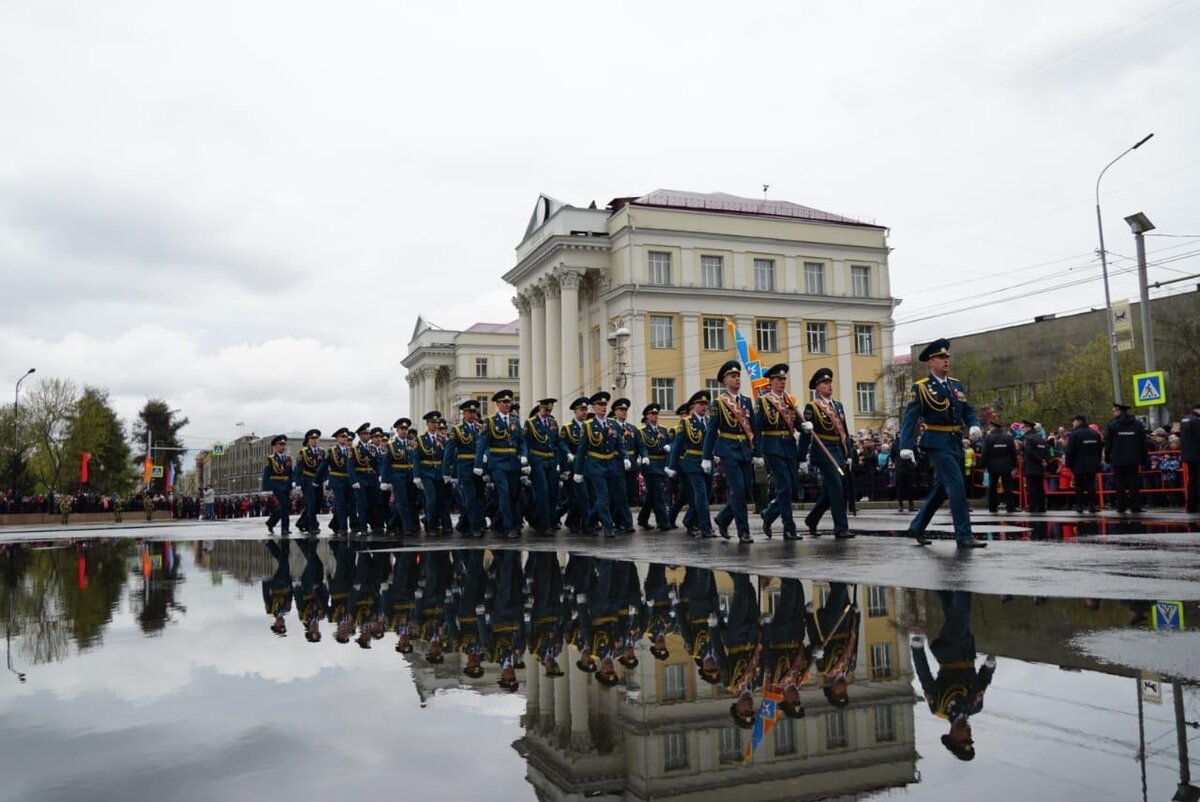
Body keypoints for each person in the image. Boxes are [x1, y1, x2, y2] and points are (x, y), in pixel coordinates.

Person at [899, 338, 985, 548]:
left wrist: (973, 424)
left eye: (947, 357)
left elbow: (967, 410)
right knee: (956, 484)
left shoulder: (955, 384)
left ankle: (917, 526)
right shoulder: (921, 387)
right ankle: (963, 534)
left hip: (954, 441)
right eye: (940, 358)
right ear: (931, 362)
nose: (946, 361)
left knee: (940, 490)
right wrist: (905, 445)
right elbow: (910, 418)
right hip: (936, 441)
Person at [910, 592, 995, 762]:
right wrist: (989, 668)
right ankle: (944, 581)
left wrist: (917, 649)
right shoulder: (975, 708)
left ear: (953, 737)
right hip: (967, 651)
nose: (968, 735)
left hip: (950, 652)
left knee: (962, 613)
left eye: (964, 739)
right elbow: (982, 684)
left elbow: (925, 679)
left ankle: (960, 573)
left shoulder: (940, 708)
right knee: (951, 609)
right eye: (970, 739)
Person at [706, 360, 758, 544]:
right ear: (724, 381)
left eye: (738, 376)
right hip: (728, 450)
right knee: (738, 490)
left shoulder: (746, 401)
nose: (736, 379)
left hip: (744, 449)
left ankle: (723, 518)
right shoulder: (718, 403)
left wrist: (757, 452)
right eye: (732, 376)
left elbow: (753, 428)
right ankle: (743, 531)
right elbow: (711, 431)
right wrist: (707, 457)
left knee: (744, 491)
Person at [799, 367, 853, 539]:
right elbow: (807, 434)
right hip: (823, 451)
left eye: (830, 382)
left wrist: (849, 453)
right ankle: (841, 528)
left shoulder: (838, 406)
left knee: (833, 490)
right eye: (824, 383)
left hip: (838, 450)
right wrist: (801, 458)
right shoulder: (812, 407)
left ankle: (812, 519)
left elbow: (844, 430)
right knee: (837, 488)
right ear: (817, 387)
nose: (829, 385)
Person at [572, 391, 630, 539]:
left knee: (608, 498)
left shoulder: (612, 424)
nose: (603, 408)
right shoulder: (588, 426)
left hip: (611, 465)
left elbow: (620, 444)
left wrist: (625, 457)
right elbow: (582, 449)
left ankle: (589, 522)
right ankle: (608, 527)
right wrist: (578, 472)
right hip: (595, 465)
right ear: (593, 407)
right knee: (603, 497)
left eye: (605, 405)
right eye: (600, 405)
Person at [755, 363, 803, 540]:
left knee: (791, 487)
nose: (782, 382)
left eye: (783, 379)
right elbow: (757, 427)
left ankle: (768, 514)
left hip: (789, 446)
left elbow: (796, 424)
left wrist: (804, 427)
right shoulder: (764, 401)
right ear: (771, 382)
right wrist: (758, 452)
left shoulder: (790, 401)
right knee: (784, 486)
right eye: (778, 379)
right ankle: (788, 528)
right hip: (772, 446)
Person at [475, 389, 528, 539]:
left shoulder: (515, 421)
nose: (507, 404)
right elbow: (481, 444)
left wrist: (523, 455)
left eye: (508, 402)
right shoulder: (490, 422)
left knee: (514, 495)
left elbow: (522, 441)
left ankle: (512, 523)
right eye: (504, 402)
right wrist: (478, 464)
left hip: (513, 463)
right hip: (498, 463)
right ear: (498, 404)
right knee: (504, 494)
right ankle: (509, 526)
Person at [666, 391, 714, 538]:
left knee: (706, 494)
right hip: (692, 462)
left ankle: (688, 520)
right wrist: (671, 466)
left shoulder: (709, 421)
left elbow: (713, 440)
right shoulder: (686, 422)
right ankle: (706, 528)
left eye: (706, 404)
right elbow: (676, 446)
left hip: (707, 462)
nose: (704, 407)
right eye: (701, 404)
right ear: (694, 406)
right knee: (700, 495)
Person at [443, 399, 486, 537]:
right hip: (465, 466)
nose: (473, 415)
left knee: (479, 497)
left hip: (480, 467)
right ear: (464, 413)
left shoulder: (481, 428)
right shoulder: (457, 430)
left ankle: (464, 524)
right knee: (470, 497)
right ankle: (476, 526)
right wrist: (446, 471)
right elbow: (449, 451)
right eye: (470, 412)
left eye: (474, 412)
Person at [524, 398, 561, 537]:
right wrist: (526, 462)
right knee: (543, 492)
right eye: (546, 410)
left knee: (553, 492)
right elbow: (526, 443)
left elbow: (557, 442)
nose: (548, 413)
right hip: (537, 460)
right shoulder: (531, 423)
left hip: (551, 460)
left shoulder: (553, 422)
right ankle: (543, 525)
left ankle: (551, 520)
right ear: (540, 408)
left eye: (550, 410)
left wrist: (562, 458)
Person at [1105, 402, 1149, 514]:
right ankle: (1135, 506)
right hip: (1133, 459)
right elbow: (1143, 443)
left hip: (1118, 459)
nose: (1113, 413)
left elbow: (1108, 443)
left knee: (1119, 484)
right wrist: (1144, 458)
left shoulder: (1112, 425)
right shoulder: (1137, 424)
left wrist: (1107, 457)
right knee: (1134, 483)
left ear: (1119, 411)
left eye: (1114, 410)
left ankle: (1121, 506)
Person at [416, 411, 454, 536]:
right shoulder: (420, 440)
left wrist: (448, 473)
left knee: (442, 500)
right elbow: (416, 459)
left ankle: (446, 525)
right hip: (427, 473)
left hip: (440, 473)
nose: (435, 425)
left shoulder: (443, 439)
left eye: (436, 423)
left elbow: (447, 457)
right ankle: (431, 526)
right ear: (427, 423)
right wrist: (416, 476)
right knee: (432, 500)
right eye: (432, 422)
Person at [636, 403, 673, 531]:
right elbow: (642, 446)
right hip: (650, 464)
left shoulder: (663, 430)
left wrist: (669, 447)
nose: (655, 416)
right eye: (652, 414)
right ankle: (663, 522)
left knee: (652, 494)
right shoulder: (642, 431)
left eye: (656, 414)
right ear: (647, 417)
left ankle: (642, 518)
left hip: (662, 464)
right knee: (659, 493)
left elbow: (669, 443)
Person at [380, 418, 419, 536]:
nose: (404, 431)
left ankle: (392, 525)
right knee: (402, 503)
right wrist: (385, 480)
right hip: (397, 477)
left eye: (406, 429)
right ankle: (408, 527)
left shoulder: (412, 444)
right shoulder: (391, 445)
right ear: (397, 430)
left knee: (411, 502)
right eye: (402, 429)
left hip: (410, 476)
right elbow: (386, 464)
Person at [1065, 414, 1103, 513]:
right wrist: (1097, 461)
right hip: (1092, 463)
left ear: (1078, 421)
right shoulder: (1094, 433)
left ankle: (1079, 506)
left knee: (1079, 486)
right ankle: (1092, 506)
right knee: (1091, 485)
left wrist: (1069, 464)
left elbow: (1070, 451)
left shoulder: (1075, 434)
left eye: (1073, 421)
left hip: (1078, 464)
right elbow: (1099, 449)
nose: (1072, 424)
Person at [980, 419, 1017, 513]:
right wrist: (1013, 465)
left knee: (992, 488)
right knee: (1008, 488)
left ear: (993, 427)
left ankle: (993, 507)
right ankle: (1010, 507)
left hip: (993, 466)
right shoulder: (1008, 438)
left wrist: (982, 464)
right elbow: (1013, 453)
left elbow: (985, 453)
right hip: (1006, 465)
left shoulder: (988, 438)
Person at [293, 429, 325, 535]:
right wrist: (297, 483)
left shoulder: (322, 452)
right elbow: (299, 468)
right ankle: (313, 526)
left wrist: (327, 479)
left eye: (316, 438)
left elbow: (324, 467)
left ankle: (302, 522)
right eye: (312, 439)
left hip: (318, 481)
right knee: (311, 503)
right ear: (308, 440)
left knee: (318, 503)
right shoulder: (303, 452)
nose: (315, 441)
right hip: (307, 480)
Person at [261, 434, 293, 536]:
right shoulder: (271, 458)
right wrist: (266, 488)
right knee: (284, 505)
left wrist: (293, 483)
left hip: (286, 484)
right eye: (280, 444)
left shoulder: (288, 458)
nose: (283, 446)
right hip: (276, 484)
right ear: (275, 446)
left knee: (286, 506)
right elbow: (267, 473)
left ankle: (271, 522)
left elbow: (290, 472)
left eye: (284, 444)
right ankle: (285, 528)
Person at [324, 427, 354, 536]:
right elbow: (324, 466)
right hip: (337, 480)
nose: (345, 439)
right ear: (337, 439)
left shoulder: (351, 450)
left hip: (349, 480)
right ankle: (343, 527)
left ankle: (335, 524)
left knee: (350, 504)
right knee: (341, 504)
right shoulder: (332, 451)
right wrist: (325, 478)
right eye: (342, 437)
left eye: (346, 437)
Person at [1020, 420, 1047, 513]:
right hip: (1040, 467)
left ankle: (1033, 507)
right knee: (1040, 488)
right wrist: (1043, 460)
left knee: (1031, 488)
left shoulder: (1028, 438)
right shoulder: (1041, 438)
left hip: (1031, 466)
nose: (1023, 429)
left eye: (1024, 427)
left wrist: (1040, 459)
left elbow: (1029, 452)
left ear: (1029, 427)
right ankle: (1041, 507)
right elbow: (1045, 451)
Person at [1180, 402, 1200, 515]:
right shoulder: (1196, 420)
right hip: (1197, 455)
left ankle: (1191, 504)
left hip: (1188, 455)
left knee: (1192, 480)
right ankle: (1196, 504)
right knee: (1197, 480)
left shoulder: (1184, 419)